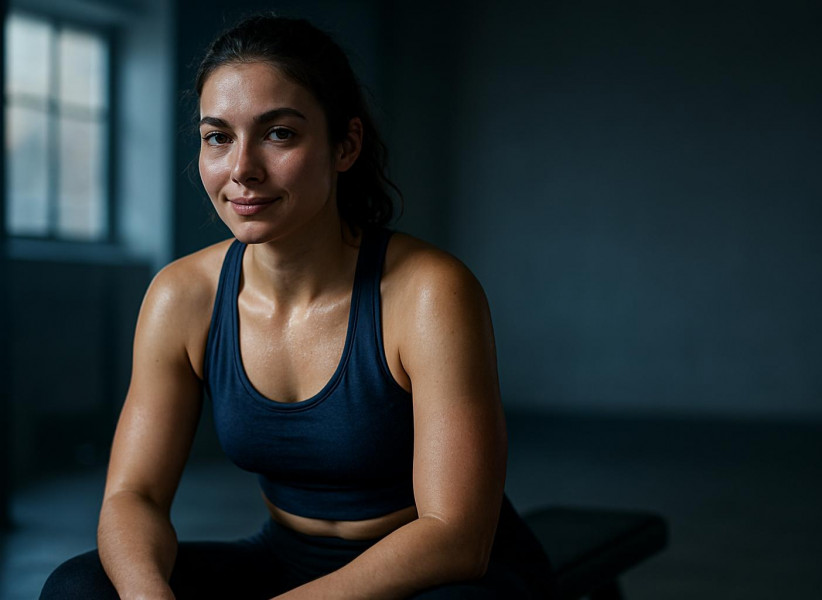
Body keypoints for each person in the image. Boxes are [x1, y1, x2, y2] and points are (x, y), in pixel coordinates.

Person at [40, 14, 553, 599]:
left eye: (279, 133)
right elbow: (136, 496)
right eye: (218, 136)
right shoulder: (183, 296)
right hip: (286, 560)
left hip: (437, 574)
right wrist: (144, 595)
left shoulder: (429, 292)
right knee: (78, 588)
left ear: (346, 145)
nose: (242, 170)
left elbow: (455, 534)